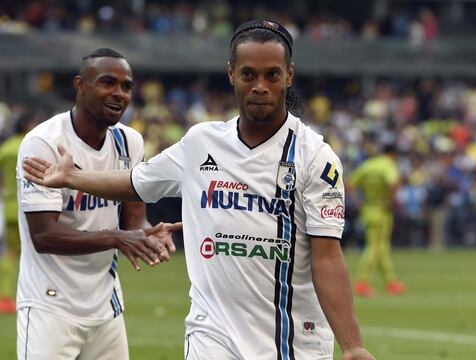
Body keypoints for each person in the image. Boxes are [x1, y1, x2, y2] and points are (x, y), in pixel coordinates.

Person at [23, 21, 374, 360]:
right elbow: (135, 182)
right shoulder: (201, 142)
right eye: (249, 74)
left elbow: (327, 257)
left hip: (289, 336)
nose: (260, 86)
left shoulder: (315, 157)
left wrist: (353, 344)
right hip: (211, 332)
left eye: (272, 75)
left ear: (289, 76)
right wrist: (73, 178)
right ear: (231, 73)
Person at [16, 48, 180, 359]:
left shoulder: (129, 141)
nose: (119, 94)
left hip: (106, 305)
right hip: (50, 304)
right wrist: (117, 238)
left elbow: (134, 219)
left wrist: (148, 235)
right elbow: (44, 237)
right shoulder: (44, 143)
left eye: (127, 86)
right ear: (80, 84)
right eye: (108, 83)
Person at [348, 143, 407, 297]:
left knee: (382, 248)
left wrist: (358, 203)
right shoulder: (388, 165)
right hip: (382, 210)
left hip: (368, 208)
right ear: (393, 154)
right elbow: (393, 182)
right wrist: (390, 201)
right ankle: (361, 282)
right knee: (374, 248)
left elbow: (349, 183)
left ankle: (391, 282)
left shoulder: (367, 165)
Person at [0, 113, 39, 313]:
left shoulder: (5, 149)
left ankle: (4, 297)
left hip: (9, 207)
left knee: (9, 253)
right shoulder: (33, 145)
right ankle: (34, 295)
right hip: (34, 206)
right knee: (36, 253)